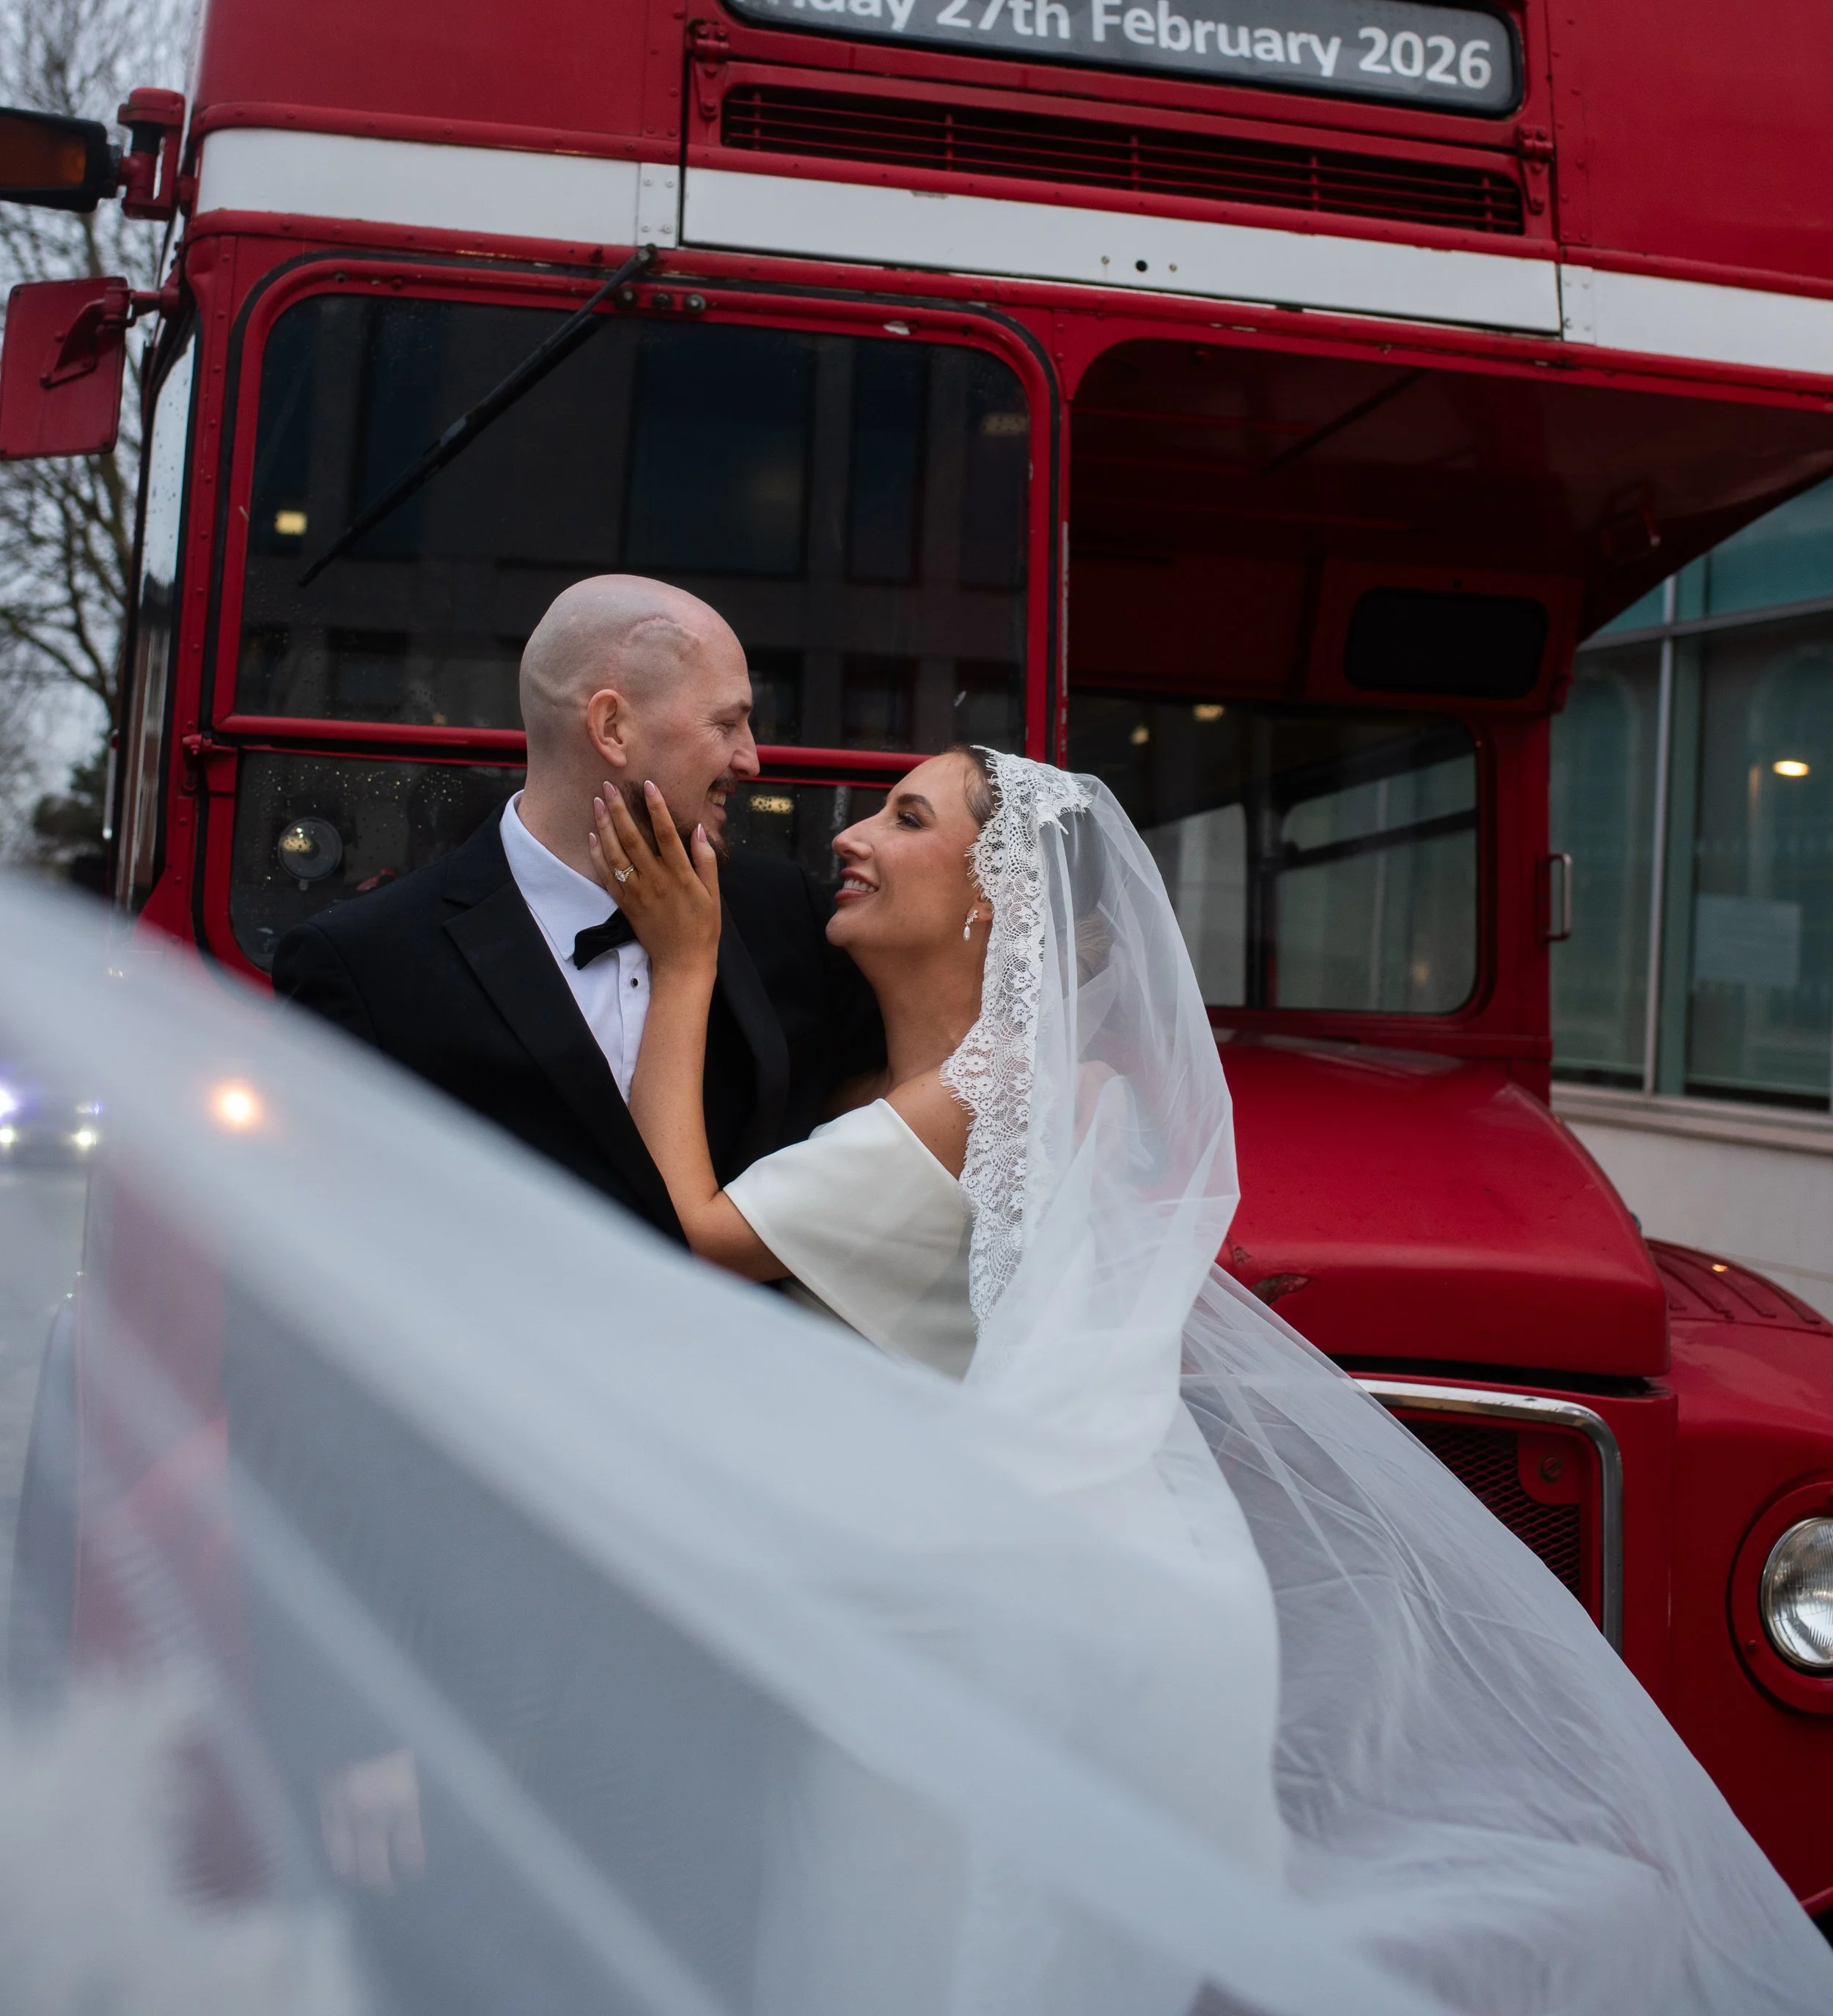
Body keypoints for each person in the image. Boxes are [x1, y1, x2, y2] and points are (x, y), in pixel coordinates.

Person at [585, 741, 1833, 2016]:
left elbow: (699, 1229)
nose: (849, 837)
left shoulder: (996, 1093)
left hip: (958, 1615)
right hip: (935, 1589)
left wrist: (682, 960)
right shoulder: (944, 1091)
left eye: (905, 818)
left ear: (995, 900)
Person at [272, 575, 883, 1241]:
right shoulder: (364, 964)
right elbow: (325, 1244)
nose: (751, 758)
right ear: (612, 726)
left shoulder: (787, 912)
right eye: (727, 722)